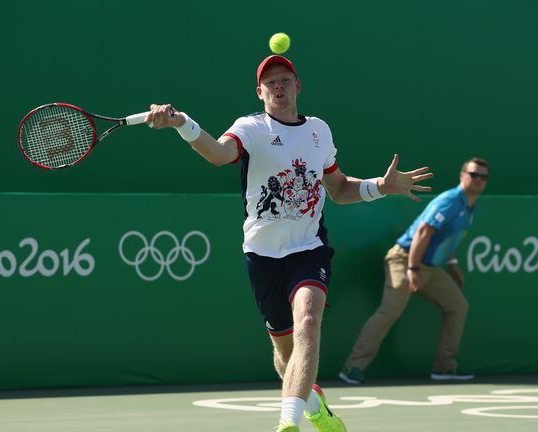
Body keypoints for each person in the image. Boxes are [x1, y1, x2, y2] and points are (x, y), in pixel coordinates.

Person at [145, 55, 433, 432]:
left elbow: (339, 188)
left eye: (285, 80)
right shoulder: (250, 128)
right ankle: (315, 407)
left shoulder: (319, 131)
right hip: (262, 255)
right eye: (271, 82)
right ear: (260, 91)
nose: (278, 86)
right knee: (286, 355)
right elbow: (219, 154)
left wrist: (381, 186)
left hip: (309, 248)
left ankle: (288, 424)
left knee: (309, 323)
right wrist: (181, 123)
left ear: (298, 86)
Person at [339, 158, 489, 385]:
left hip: (429, 267)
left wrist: (453, 264)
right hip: (404, 259)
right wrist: (412, 268)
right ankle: (353, 367)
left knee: (458, 306)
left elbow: (445, 237)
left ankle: (445, 368)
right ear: (462, 175)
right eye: (474, 174)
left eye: (483, 177)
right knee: (391, 308)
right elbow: (422, 233)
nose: (478, 180)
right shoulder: (450, 201)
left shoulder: (470, 206)